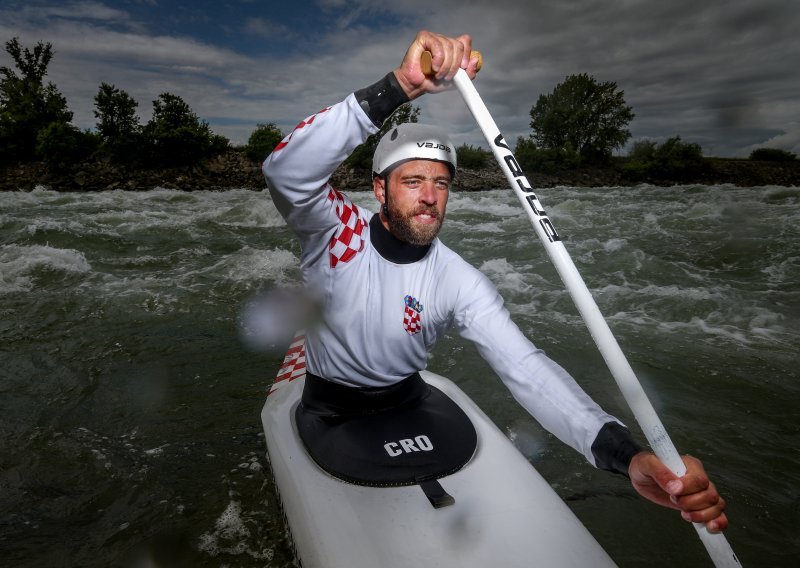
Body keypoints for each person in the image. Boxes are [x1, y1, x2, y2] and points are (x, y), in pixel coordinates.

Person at [262, 30, 727, 533]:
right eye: (412, 181)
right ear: (379, 188)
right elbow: (286, 170)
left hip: (408, 398)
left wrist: (626, 455)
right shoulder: (336, 231)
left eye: (440, 182)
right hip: (331, 409)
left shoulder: (460, 280)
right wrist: (399, 86)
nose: (429, 197)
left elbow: (525, 366)